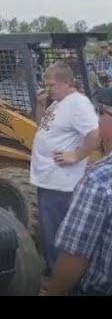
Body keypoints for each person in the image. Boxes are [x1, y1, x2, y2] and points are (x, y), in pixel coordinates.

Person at [31, 62, 100, 273]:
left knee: (56, 232)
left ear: (68, 82)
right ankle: (55, 269)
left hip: (60, 183)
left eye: (51, 85)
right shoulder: (57, 102)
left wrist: (76, 155)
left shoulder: (77, 103)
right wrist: (42, 105)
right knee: (48, 229)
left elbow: (94, 134)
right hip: (46, 178)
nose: (47, 88)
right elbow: (41, 126)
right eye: (45, 84)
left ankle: (59, 277)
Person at [44, 87, 112, 296]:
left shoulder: (98, 181)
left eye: (101, 113)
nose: (98, 120)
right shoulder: (56, 107)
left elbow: (75, 256)